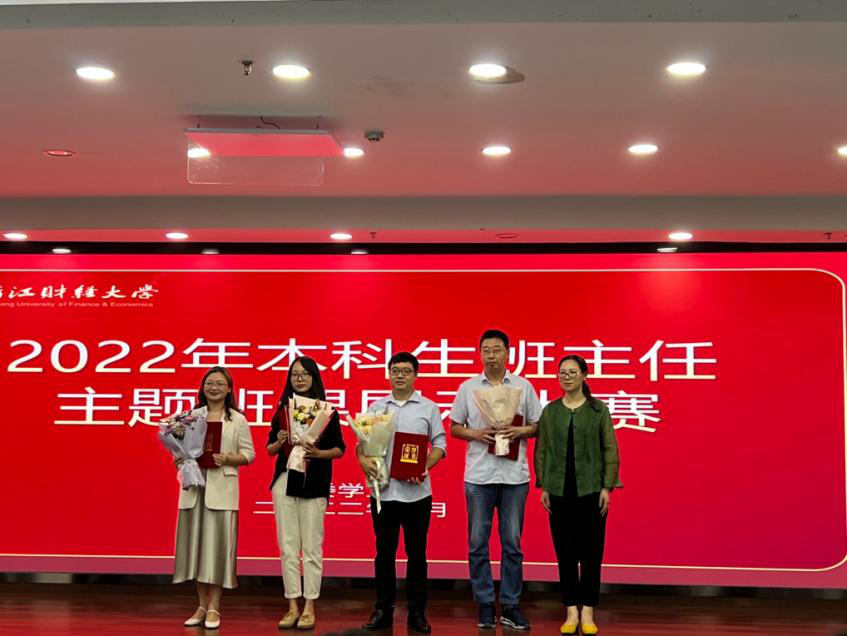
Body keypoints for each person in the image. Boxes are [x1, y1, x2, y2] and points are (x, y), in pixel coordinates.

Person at [450, 329, 542, 630]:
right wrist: (476, 433)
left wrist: (520, 431)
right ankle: (485, 603)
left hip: (515, 476)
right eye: (486, 350)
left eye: (497, 349)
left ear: (508, 353)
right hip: (479, 476)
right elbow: (454, 427)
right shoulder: (467, 388)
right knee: (478, 542)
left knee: (512, 543)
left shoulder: (523, 386)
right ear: (480, 353)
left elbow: (537, 424)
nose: (491, 355)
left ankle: (511, 605)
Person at [359, 352, 447, 634]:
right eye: (395, 370)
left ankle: (417, 612)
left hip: (417, 493)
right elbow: (362, 444)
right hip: (383, 493)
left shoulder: (428, 407)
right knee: (384, 553)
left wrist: (424, 466)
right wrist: (363, 461)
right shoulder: (376, 407)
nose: (400, 375)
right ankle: (383, 610)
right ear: (388, 374)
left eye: (406, 371)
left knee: (417, 554)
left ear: (415, 375)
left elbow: (440, 445)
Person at [535, 355, 622, 636]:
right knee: (565, 552)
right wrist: (544, 485)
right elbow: (542, 450)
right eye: (562, 372)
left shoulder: (598, 410)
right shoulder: (551, 411)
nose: (567, 377)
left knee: (592, 553)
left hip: (591, 491)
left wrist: (607, 487)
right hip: (559, 492)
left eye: (572, 372)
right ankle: (571, 609)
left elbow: (610, 448)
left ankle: (588, 610)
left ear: (584, 375)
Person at [173, 366, 256, 630]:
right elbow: (179, 449)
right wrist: (180, 457)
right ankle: (201, 605)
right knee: (197, 550)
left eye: (220, 383)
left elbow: (249, 454)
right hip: (195, 488)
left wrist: (228, 458)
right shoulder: (190, 416)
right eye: (210, 383)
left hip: (222, 490)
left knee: (218, 551)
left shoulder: (237, 420)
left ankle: (214, 607)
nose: (214, 388)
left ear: (229, 389)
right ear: (202, 387)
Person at [267, 356, 346, 630]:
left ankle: (310, 606)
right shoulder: (282, 410)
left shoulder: (327, 412)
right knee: (288, 547)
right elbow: (269, 450)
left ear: (314, 378)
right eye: (294, 374)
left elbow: (339, 449)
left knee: (312, 548)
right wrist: (279, 442)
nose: (299, 379)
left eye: (305, 374)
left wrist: (318, 453)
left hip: (314, 482)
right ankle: (292, 605)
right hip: (285, 480)